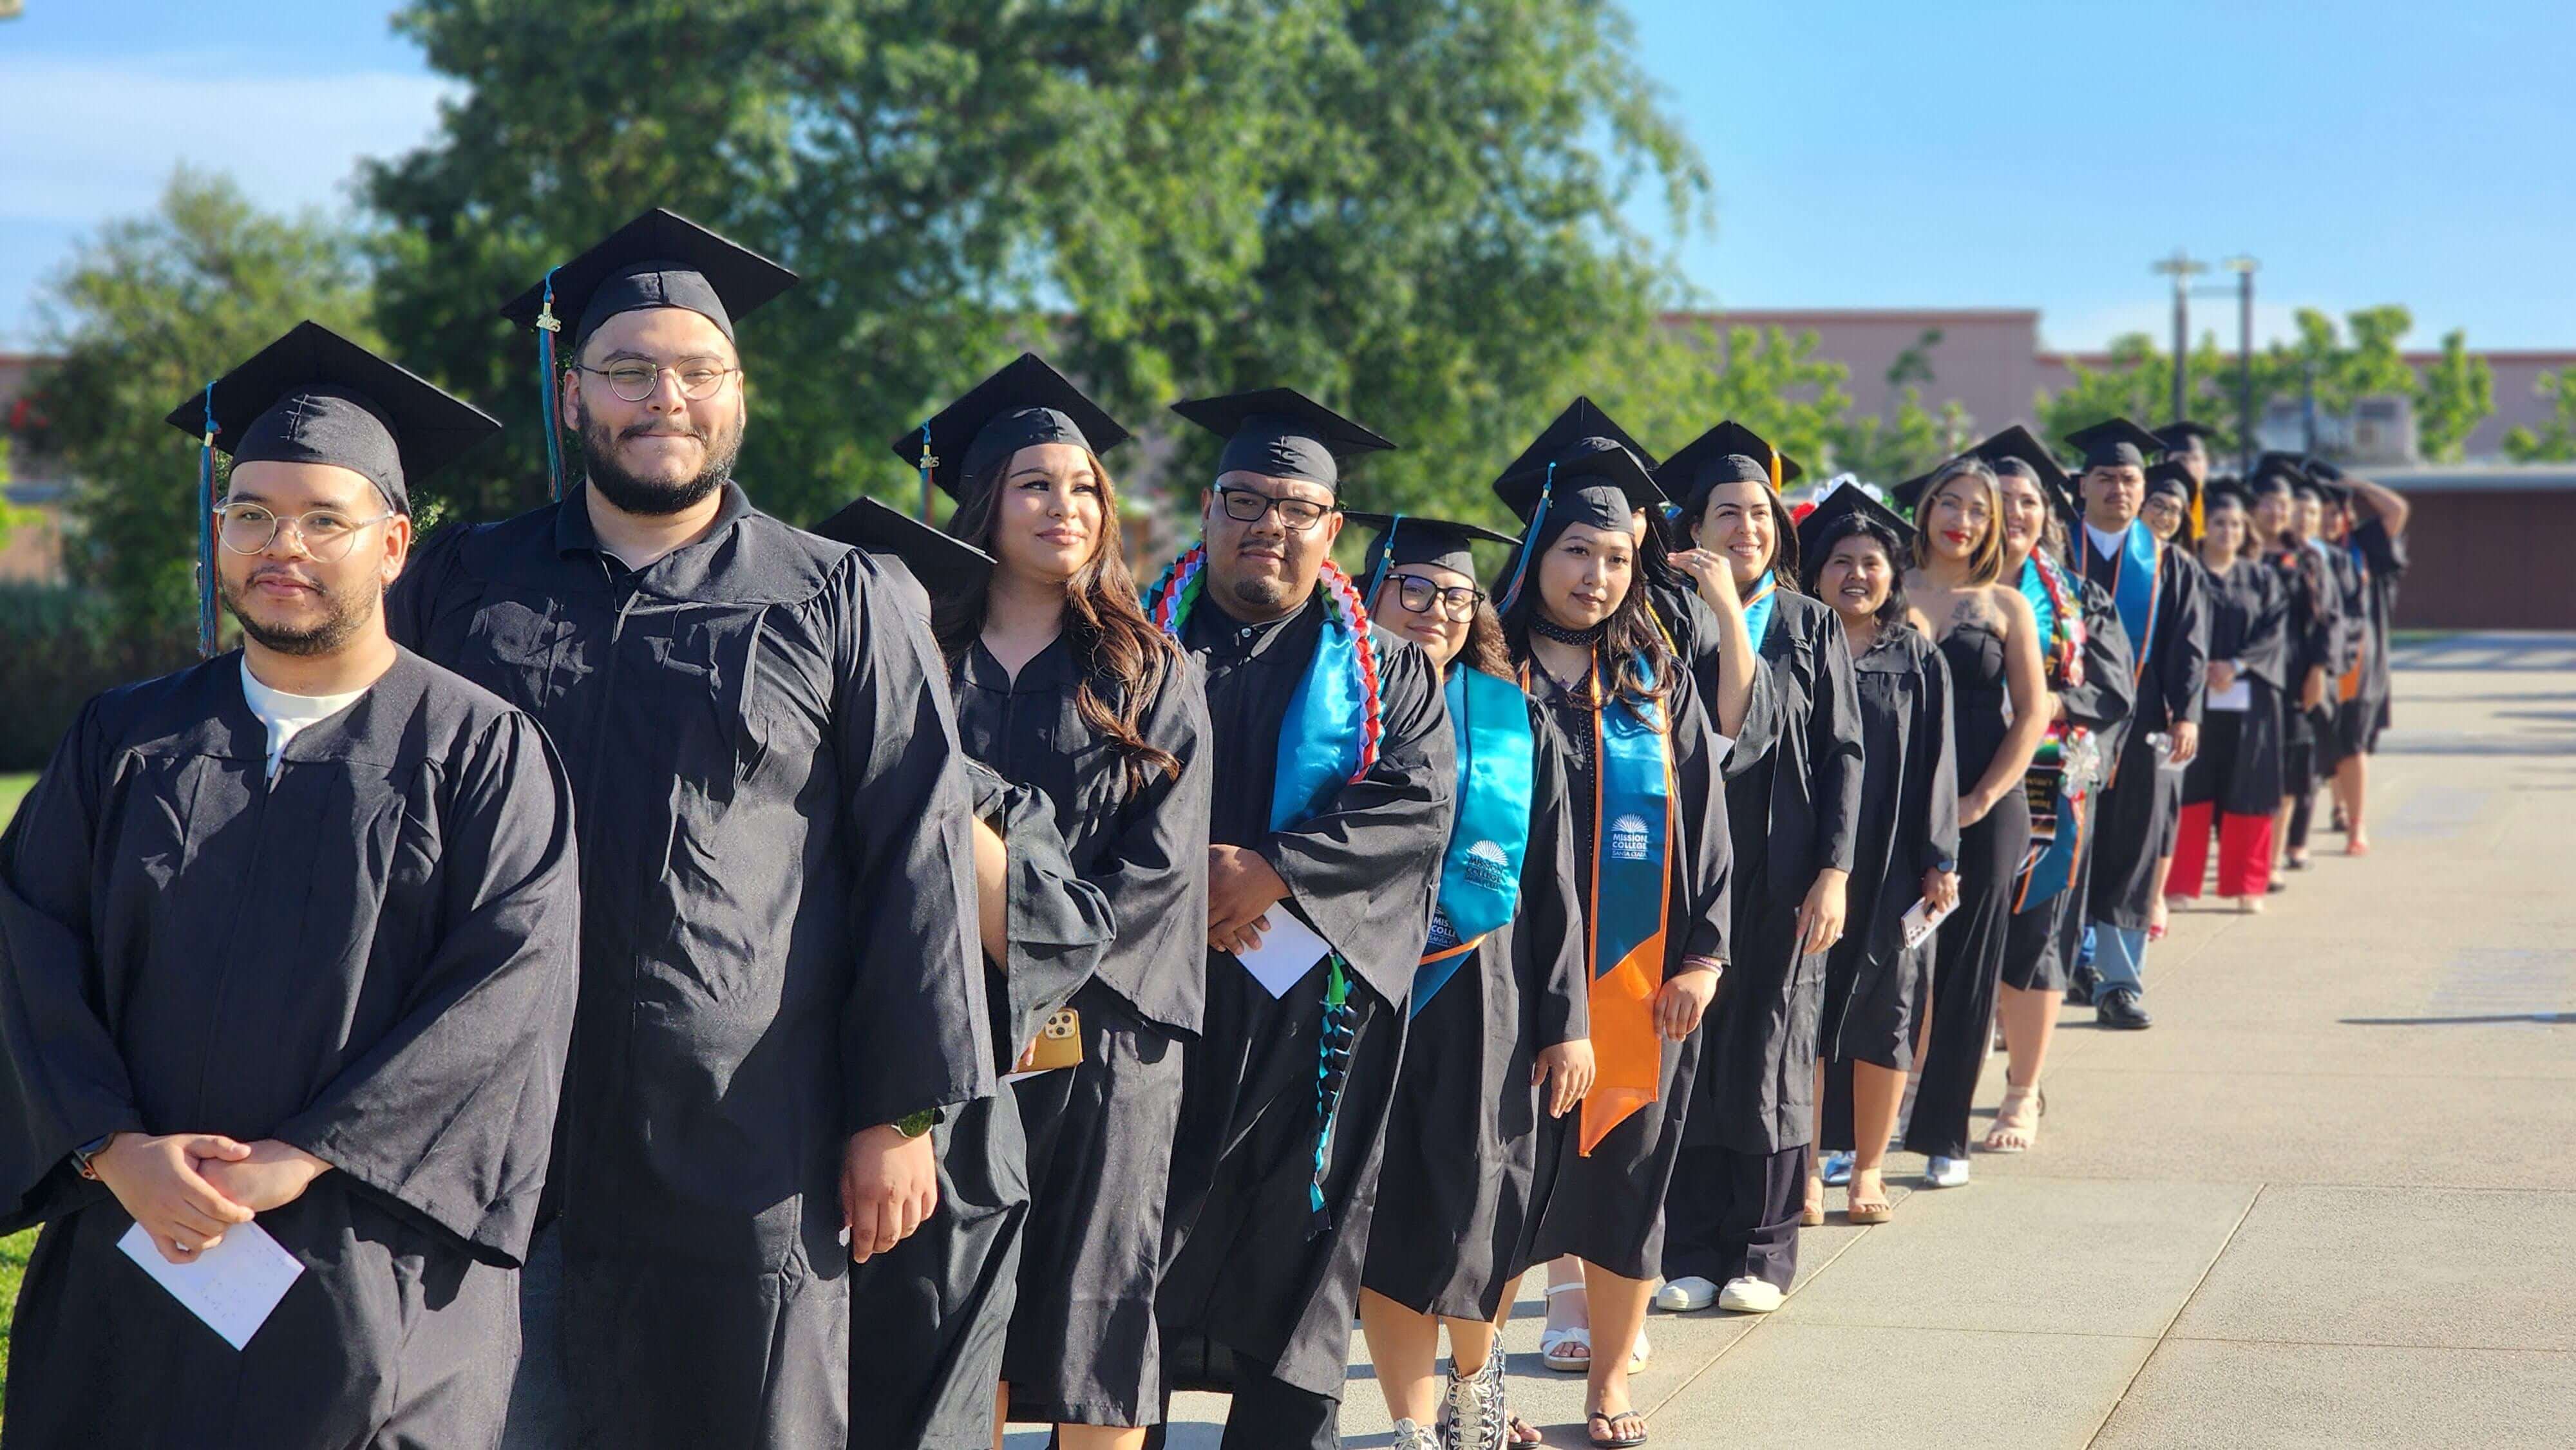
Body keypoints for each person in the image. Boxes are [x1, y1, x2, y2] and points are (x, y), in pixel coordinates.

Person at [389, 209, 994, 1449]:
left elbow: (916, 858)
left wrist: (902, 1112)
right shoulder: (461, 582)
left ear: (737, 395)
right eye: (627, 370)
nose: (664, 396)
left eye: (696, 371)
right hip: (495, 1124)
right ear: (574, 399)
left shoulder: (836, 593)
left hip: (745, 1136)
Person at [0, 323, 580, 1447]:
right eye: (254, 513)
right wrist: (114, 1150)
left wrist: (299, 1158)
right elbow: (27, 951)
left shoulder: (482, 752)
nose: (285, 545)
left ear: (396, 543)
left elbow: (506, 997)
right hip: (134, 1252)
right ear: (220, 536)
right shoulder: (122, 740)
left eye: (326, 519)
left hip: (370, 1272)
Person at [873, 354, 1213, 1450]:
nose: (1063, 506)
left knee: (1090, 1323)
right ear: (984, 503)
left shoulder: (1155, 670)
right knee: (954, 1309)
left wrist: (1043, 978)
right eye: (1033, 484)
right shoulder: (920, 654)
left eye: (1082, 488)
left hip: (1108, 1041)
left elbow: (1160, 874)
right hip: (944, 1033)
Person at [1144, 389, 1454, 1450]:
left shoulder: (1391, 670)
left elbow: (1418, 805)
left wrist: (1273, 871)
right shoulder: (1129, 648)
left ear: (1332, 529)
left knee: (1298, 1241)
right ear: (1206, 505)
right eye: (1246, 498)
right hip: (1151, 997)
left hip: (1301, 1017)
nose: (1269, 522)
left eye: (1298, 505)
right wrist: (1193, 881)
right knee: (1124, 1235)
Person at [811, 491, 1121, 1450]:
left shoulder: (988, 800)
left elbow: (1061, 937)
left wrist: (934, 788)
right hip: (772, 1156)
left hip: (948, 1173)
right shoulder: (748, 794)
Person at [1492, 439, 1731, 1450]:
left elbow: (1709, 823)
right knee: (1494, 1189)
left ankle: (1607, 1392)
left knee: (1630, 1178)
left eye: (1617, 559)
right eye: (1578, 552)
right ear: (1540, 550)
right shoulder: (1483, 669)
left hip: (1636, 983)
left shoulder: (1650, 678)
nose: (1598, 577)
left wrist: (1703, 959)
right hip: (1498, 981)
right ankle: (1482, 1395)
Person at [1345, 513, 1591, 1450]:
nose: (1438, 611)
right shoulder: (1339, 707)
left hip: (1485, 997)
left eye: (1457, 595)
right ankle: (1411, 1422)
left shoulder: (1509, 715)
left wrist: (1567, 1020)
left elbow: (1554, 884)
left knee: (1479, 1202)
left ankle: (1478, 1381)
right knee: (1385, 1204)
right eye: (1414, 589)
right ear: (1369, 595)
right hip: (1363, 995)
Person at [1655, 420, 1861, 1313]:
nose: (1749, 528)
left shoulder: (1810, 622)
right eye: (1728, 513)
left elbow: (1846, 751)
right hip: (1687, 867)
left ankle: (1764, 1253)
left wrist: (1836, 872)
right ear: (1692, 526)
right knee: (1694, 1052)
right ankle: (1691, 1250)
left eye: (1762, 515)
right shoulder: (1663, 612)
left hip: (1785, 873)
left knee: (1774, 1052)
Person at [1800, 484, 1959, 1224]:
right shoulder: (1791, 643)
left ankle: (1866, 1168)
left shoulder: (1916, 655)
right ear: (1814, 571)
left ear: (1893, 576)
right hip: (1804, 860)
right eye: (1839, 561)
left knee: (1888, 1012)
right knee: (1801, 1013)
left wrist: (1939, 857)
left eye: (1870, 561)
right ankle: (1799, 1169)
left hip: (1894, 860)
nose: (1856, 574)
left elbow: (1937, 762)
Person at [1974, 431, 2133, 1154]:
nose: (2016, 512)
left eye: (2030, 500)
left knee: (2035, 936)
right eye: (2001, 500)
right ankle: (1926, 1080)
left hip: (2044, 783)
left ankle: (2020, 1090)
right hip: (1960, 781)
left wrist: (2044, 701)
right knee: (1950, 934)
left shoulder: (2077, 598)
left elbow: (2113, 686)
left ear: (2048, 513)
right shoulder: (1947, 590)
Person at [1894, 458, 2047, 1187]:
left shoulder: (2007, 606)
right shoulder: (1887, 589)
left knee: (1966, 970)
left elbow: (2034, 713)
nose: (1962, 518)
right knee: (1886, 962)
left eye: (1979, 510)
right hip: (1894, 805)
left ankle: (1943, 1134)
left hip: (1986, 808)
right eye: (1948, 502)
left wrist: (1978, 802)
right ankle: (1852, 1125)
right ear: (1925, 509)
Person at [2067, 419, 2208, 1031]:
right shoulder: (2054, 560)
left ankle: (2120, 984)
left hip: (2146, 723)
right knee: (2064, 844)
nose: (2119, 489)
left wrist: (2189, 714)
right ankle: (2063, 963)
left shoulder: (2169, 566)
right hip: (2066, 723)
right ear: (2082, 486)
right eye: (2106, 478)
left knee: (2133, 852)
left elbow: (2190, 647)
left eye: (2129, 479)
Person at [2166, 487, 2289, 914]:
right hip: (2193, 700)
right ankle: (2179, 885)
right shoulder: (2185, 573)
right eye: (2219, 522)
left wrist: (2234, 666)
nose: (2228, 530)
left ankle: (2246, 886)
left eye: (2237, 524)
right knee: (2190, 789)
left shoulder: (2263, 579)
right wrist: (2200, 669)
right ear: (2203, 528)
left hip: (2250, 699)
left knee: (2249, 787)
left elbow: (2274, 633)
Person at [2247, 460, 2340, 881]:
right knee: (2246, 770)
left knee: (2287, 771)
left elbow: (2327, 621)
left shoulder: (2304, 558)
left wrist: (2320, 669)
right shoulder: (2236, 553)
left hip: (2293, 676)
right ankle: (2244, 856)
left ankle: (2271, 861)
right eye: (2267, 502)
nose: (2276, 511)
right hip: (2243, 679)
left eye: (2283, 504)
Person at [2316, 464, 2410, 856]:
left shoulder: (2363, 544)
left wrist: (2357, 485)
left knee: (2351, 743)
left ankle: (2356, 824)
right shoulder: (2296, 550)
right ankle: (2334, 808)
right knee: (2319, 744)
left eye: (2333, 509)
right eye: (2318, 509)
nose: (2325, 518)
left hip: (2357, 661)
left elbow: (2396, 510)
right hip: (2312, 662)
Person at [2138, 460, 2199, 938]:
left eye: (2175, 510)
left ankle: (2154, 895)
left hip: (2161, 707)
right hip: (2116, 704)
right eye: (2158, 504)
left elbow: (2191, 646)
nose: (2165, 516)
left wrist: (2187, 714)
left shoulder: (2180, 567)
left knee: (2162, 804)